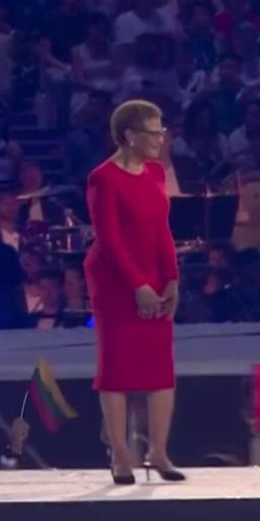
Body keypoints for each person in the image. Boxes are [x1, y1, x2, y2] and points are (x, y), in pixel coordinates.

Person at [83, 99, 184, 485]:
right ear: (130, 135)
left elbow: (162, 230)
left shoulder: (156, 174)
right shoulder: (103, 178)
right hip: (114, 279)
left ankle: (159, 452)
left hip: (154, 274)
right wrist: (137, 286)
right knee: (117, 369)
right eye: (153, 131)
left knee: (160, 368)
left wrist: (171, 280)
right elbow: (108, 238)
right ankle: (121, 455)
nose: (161, 138)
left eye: (162, 130)